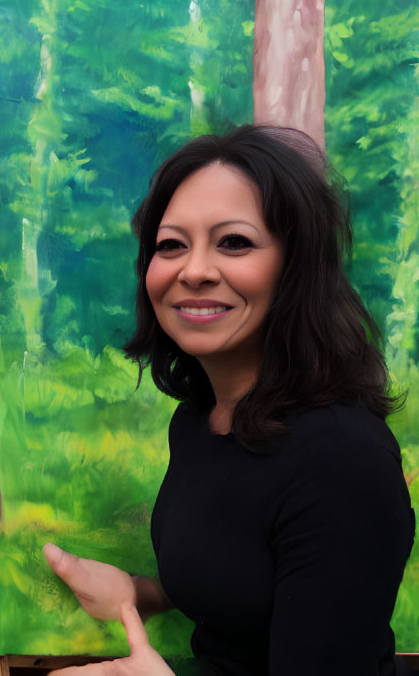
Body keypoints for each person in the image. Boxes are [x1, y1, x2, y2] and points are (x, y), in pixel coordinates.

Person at [44, 125, 416, 675]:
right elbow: (250, 581)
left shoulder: (343, 462)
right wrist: (138, 594)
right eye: (171, 245)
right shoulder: (201, 420)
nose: (193, 271)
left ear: (297, 267)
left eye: (234, 242)